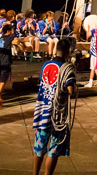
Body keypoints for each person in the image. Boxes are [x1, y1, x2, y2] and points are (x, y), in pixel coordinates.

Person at [32, 38, 76, 175]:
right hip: (57, 114)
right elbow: (70, 90)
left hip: (42, 110)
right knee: (54, 149)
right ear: (68, 52)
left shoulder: (45, 65)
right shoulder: (66, 68)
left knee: (39, 146)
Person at [0, 23, 15, 108]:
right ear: (8, 31)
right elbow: (17, 38)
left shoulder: (1, 38)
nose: (13, 31)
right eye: (12, 29)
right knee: (2, 82)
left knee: (2, 80)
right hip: (5, 62)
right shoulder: (10, 38)